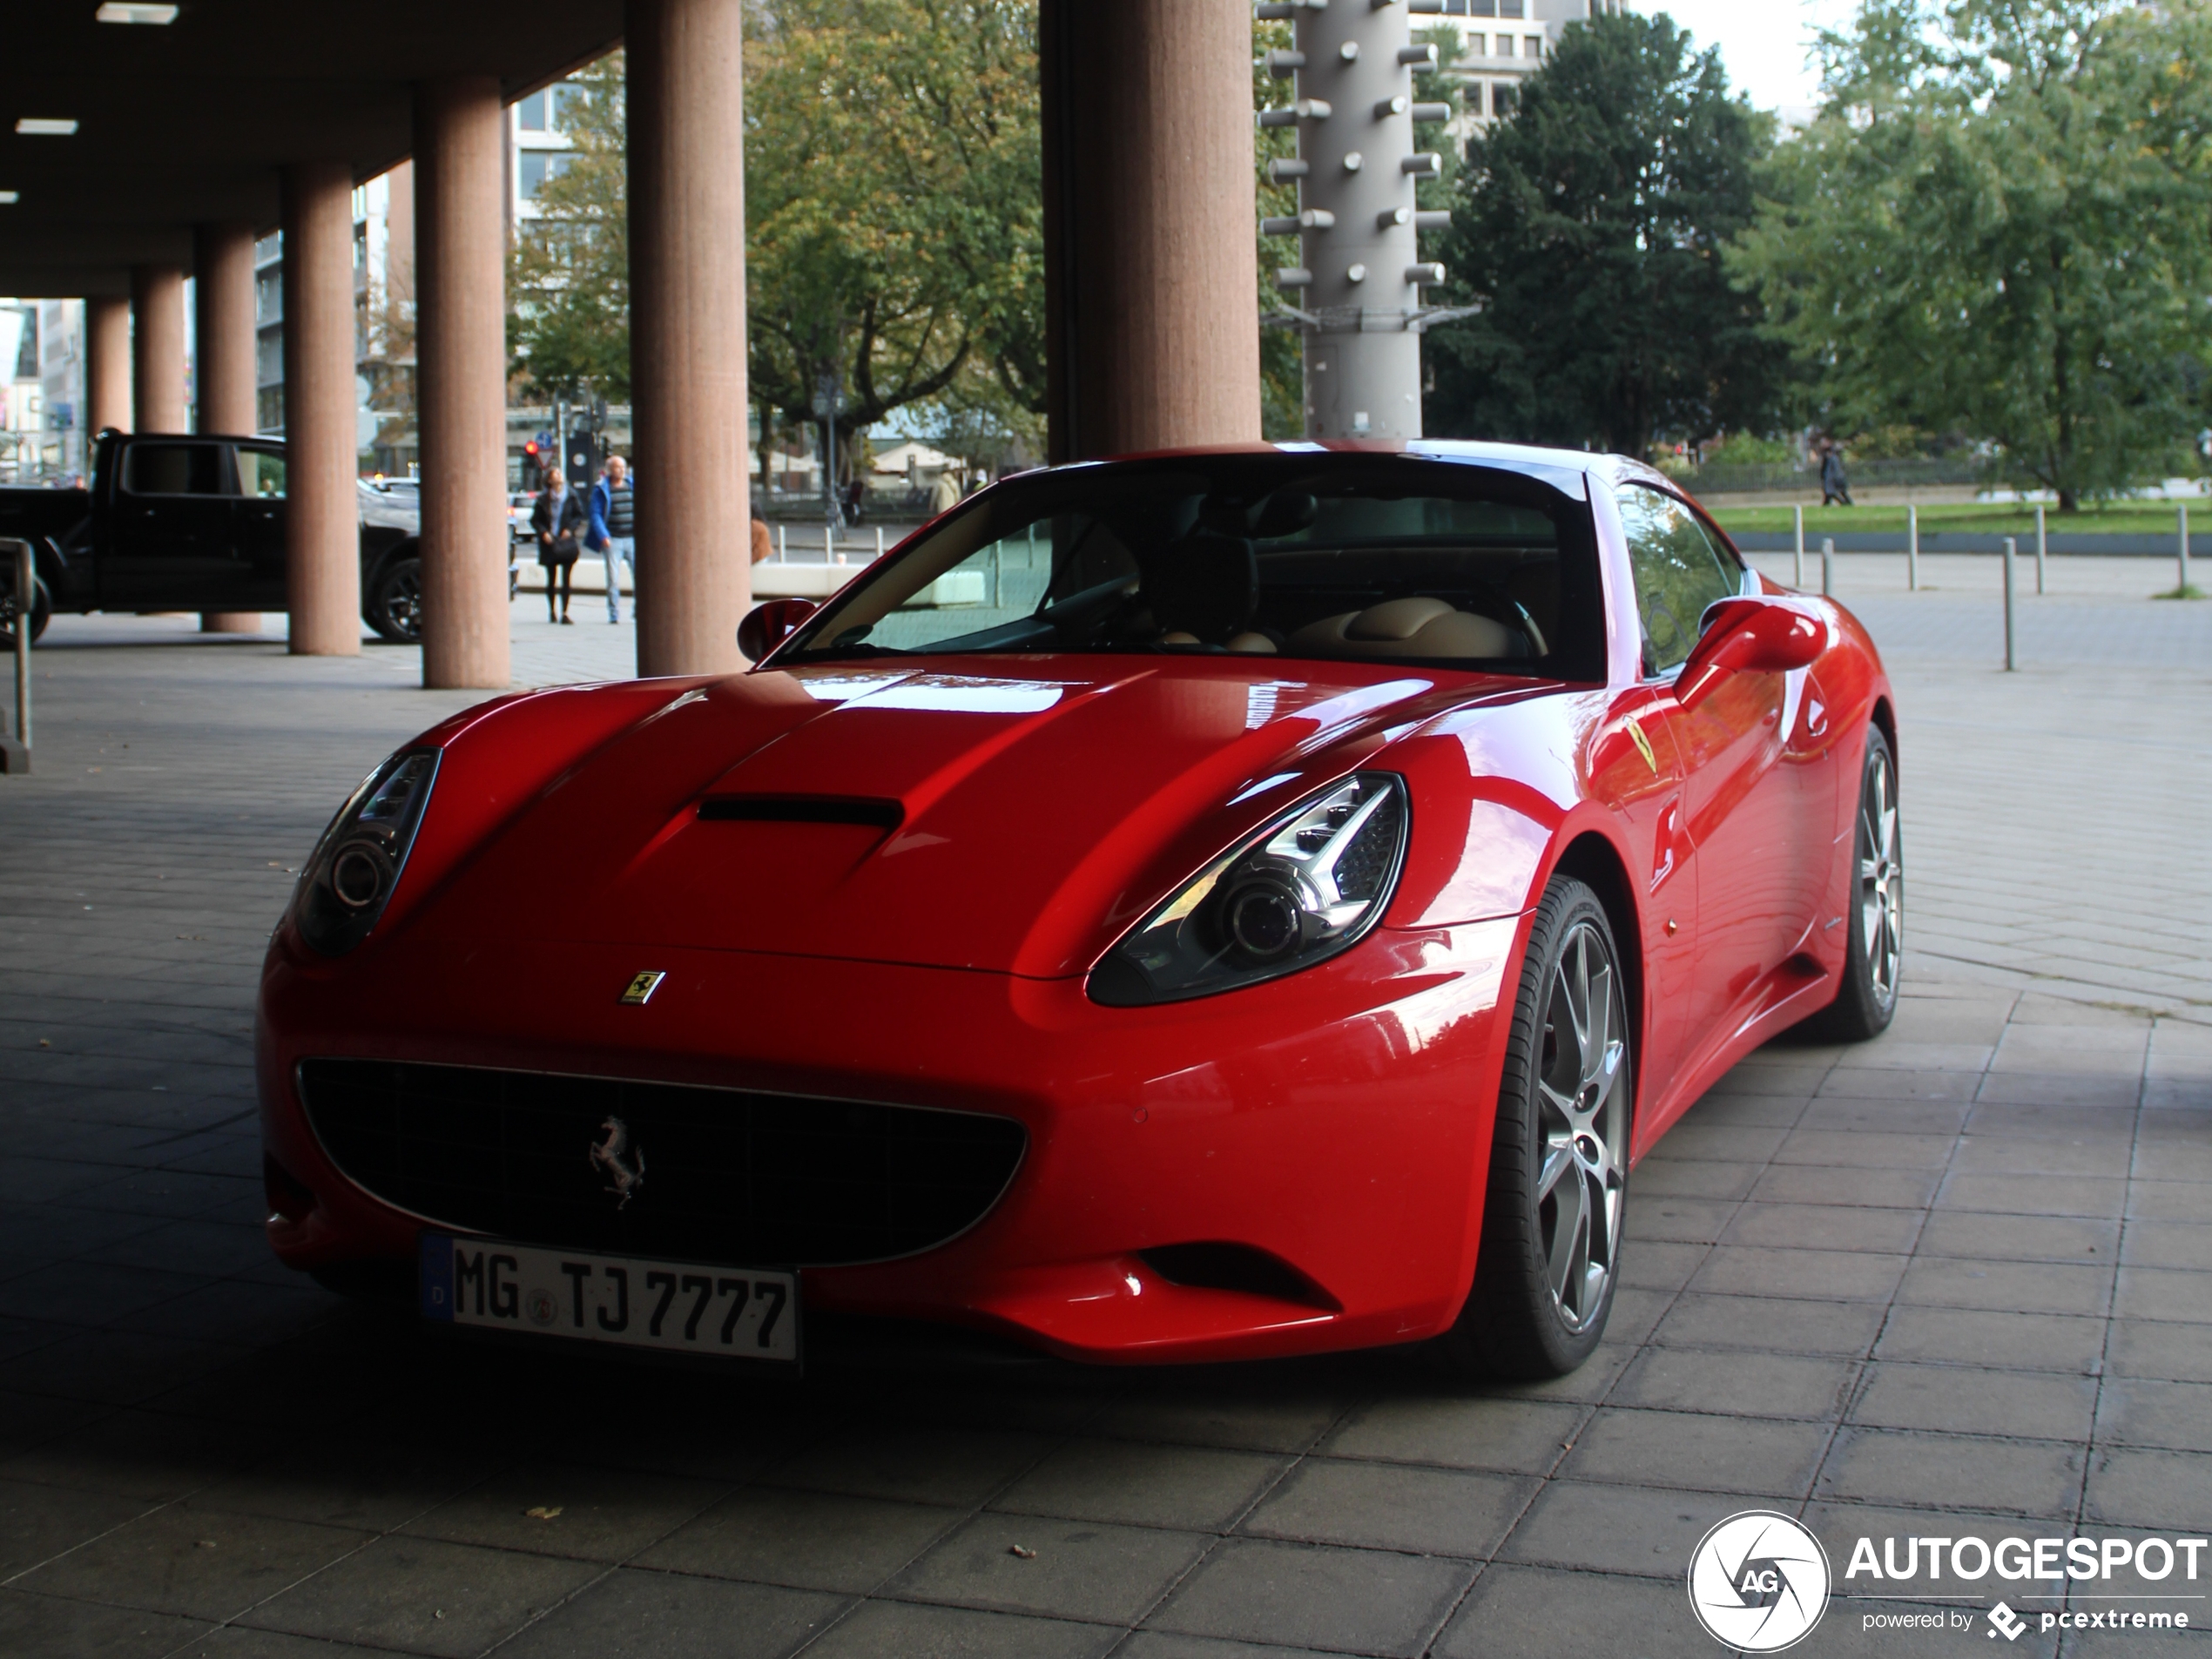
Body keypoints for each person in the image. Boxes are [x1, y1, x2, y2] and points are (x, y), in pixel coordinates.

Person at [530, 467, 587, 624]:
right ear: (549, 480)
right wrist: (543, 533)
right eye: (556, 474)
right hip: (549, 542)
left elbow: (578, 515)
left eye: (560, 473)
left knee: (566, 578)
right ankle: (552, 611)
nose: (559, 475)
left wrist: (570, 529)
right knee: (551, 578)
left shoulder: (571, 495)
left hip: (565, 540)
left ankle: (565, 612)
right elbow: (535, 520)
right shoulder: (543, 499)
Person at [589, 455, 637, 624]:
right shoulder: (601, 489)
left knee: (639, 576)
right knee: (613, 579)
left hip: (632, 537)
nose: (622, 471)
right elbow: (595, 514)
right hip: (613, 539)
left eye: (623, 467)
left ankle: (638, 609)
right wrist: (603, 535)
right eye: (618, 467)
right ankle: (614, 613)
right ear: (609, 470)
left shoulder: (631, 485)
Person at [1819, 438, 1853, 508]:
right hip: (1834, 478)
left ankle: (1845, 503)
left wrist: (1827, 478)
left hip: (1834, 479)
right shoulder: (1831, 458)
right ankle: (1846, 503)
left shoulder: (1832, 459)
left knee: (1832, 493)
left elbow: (1831, 470)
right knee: (1831, 493)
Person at [750, 501, 773, 565]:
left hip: (758, 555)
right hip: (763, 555)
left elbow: (751, 542)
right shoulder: (761, 524)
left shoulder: (755, 525)